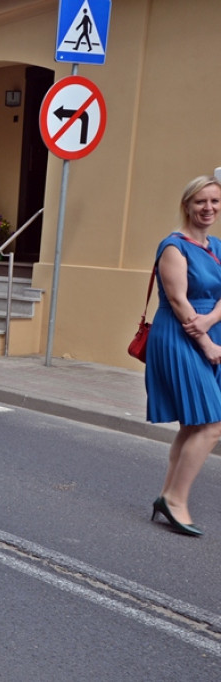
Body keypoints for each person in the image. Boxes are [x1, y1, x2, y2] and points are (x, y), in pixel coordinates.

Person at [145, 175, 221, 537]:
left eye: (215, 202)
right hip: (179, 335)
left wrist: (211, 320)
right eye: (201, 202)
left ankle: (165, 495)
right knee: (211, 424)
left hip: (207, 328)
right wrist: (206, 341)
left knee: (193, 423)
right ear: (187, 205)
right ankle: (176, 499)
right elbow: (178, 301)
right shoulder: (173, 247)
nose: (208, 208)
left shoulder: (217, 246)